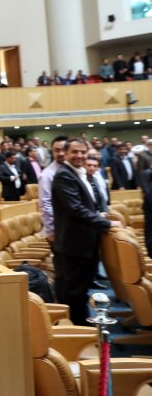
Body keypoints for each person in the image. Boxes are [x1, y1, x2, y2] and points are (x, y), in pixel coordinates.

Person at [52, 139, 121, 324]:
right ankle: (75, 330)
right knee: (72, 292)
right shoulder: (64, 175)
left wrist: (100, 216)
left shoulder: (77, 173)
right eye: (75, 152)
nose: (80, 156)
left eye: (83, 152)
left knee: (80, 291)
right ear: (66, 153)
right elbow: (75, 209)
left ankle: (82, 327)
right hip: (73, 245)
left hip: (83, 243)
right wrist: (105, 223)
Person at [39, 135, 68, 244]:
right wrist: (51, 230)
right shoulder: (47, 174)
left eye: (64, 149)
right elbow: (46, 203)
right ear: (52, 152)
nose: (61, 153)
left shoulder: (74, 169)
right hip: (57, 228)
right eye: (57, 150)